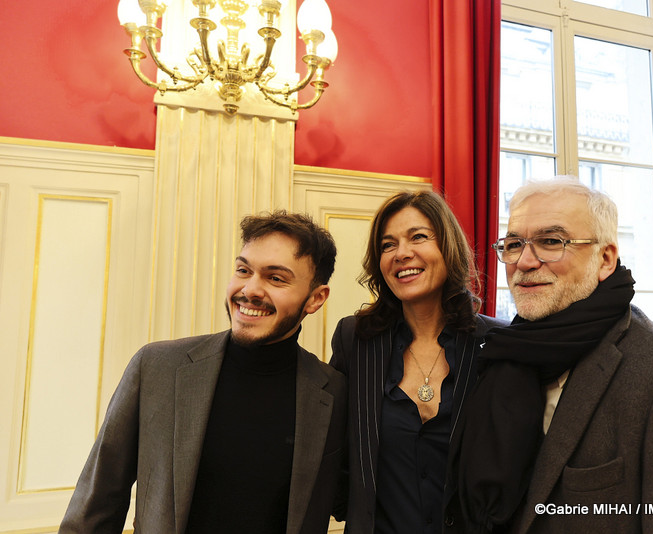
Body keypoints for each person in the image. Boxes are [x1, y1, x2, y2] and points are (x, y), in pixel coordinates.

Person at [445, 177, 653, 533]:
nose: (525, 261)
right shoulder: (503, 355)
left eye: (552, 241)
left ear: (606, 259)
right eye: (514, 244)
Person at [60, 211, 346, 534]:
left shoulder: (334, 392)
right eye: (243, 270)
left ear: (316, 298)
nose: (251, 289)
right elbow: (95, 507)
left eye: (276, 278)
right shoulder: (156, 367)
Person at [329, 191, 506, 533]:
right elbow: (334, 447)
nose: (402, 253)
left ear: (448, 248)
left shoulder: (496, 343)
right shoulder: (356, 340)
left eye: (419, 237)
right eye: (388, 245)